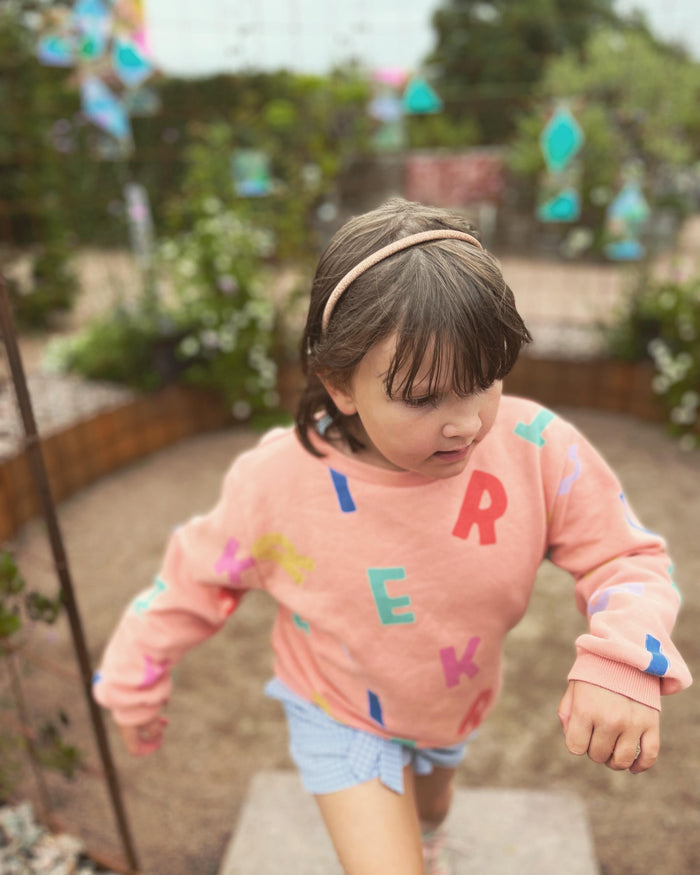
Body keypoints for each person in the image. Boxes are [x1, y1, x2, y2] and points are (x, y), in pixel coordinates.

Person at [93, 198, 692, 875]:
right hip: (339, 711)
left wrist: (622, 660)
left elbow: (626, 555)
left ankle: (428, 833)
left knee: (431, 806)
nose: (466, 423)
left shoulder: (535, 446)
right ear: (340, 382)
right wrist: (130, 678)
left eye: (485, 381)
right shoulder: (278, 481)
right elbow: (192, 576)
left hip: (452, 705)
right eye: (424, 398)